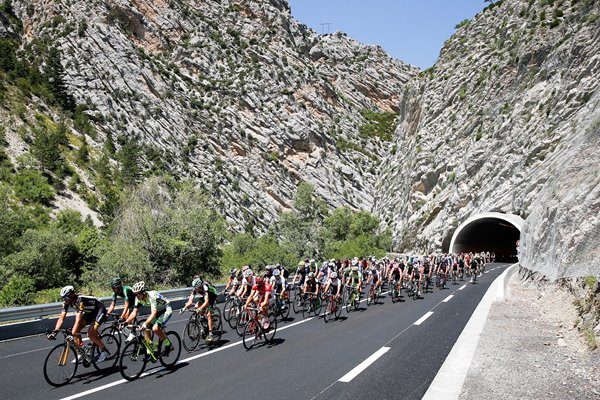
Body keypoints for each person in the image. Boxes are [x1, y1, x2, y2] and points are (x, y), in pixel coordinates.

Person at [47, 286, 110, 362]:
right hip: (89, 312)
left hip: (99, 310)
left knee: (90, 333)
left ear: (71, 295)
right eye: (63, 298)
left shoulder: (80, 300)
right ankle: (81, 352)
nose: (64, 300)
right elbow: (61, 318)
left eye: (65, 297)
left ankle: (105, 351)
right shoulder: (67, 302)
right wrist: (55, 332)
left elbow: (78, 320)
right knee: (74, 331)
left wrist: (72, 333)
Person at [125, 281, 173, 355]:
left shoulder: (152, 296)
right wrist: (126, 322)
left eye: (139, 294)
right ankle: (151, 347)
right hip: (158, 311)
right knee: (147, 327)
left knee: (155, 328)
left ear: (143, 292)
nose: (137, 296)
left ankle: (168, 343)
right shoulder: (138, 299)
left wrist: (145, 323)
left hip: (165, 310)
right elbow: (134, 312)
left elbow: (153, 313)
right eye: (135, 294)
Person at [182, 277, 219, 342]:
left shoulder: (205, 288)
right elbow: (190, 301)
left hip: (212, 297)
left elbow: (207, 301)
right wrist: (184, 308)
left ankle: (210, 334)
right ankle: (203, 319)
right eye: (194, 288)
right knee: (197, 305)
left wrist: (200, 308)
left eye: (196, 288)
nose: (195, 290)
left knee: (208, 315)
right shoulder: (195, 289)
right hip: (206, 297)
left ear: (199, 286)